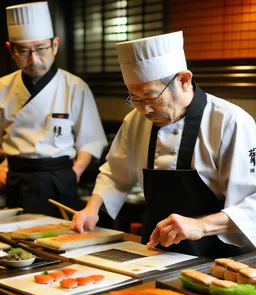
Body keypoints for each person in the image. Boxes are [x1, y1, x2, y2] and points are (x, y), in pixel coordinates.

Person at [71, 31, 256, 258]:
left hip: (216, 253)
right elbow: (115, 173)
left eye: (151, 97)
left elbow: (253, 203)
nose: (145, 110)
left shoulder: (230, 122)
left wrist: (199, 226)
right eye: (135, 99)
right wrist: (92, 208)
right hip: (154, 250)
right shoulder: (135, 121)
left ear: (183, 80)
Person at [0, 1, 107, 217]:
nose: (34, 59)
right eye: (24, 51)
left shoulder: (75, 86)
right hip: (16, 178)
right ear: (11, 50)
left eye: (41, 48)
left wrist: (75, 172)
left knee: (58, 241)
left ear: (55, 45)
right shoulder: (2, 87)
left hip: (59, 179)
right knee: (17, 244)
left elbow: (91, 139)